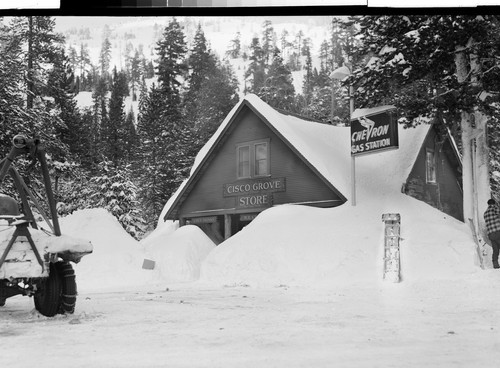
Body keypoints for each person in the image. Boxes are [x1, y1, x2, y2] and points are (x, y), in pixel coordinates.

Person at [484, 198, 500, 269]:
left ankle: (495, 265)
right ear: (494, 203)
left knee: (495, 250)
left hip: (491, 234)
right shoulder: (495, 209)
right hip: (498, 231)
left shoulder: (485, 213)